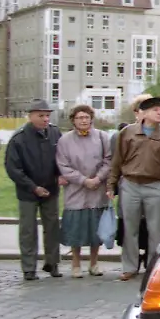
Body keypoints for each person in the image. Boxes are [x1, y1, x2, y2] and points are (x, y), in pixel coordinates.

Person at [107, 96, 160, 281]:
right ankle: (130, 266)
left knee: (155, 229)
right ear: (143, 113)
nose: (159, 113)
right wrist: (111, 184)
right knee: (130, 228)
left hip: (154, 185)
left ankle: (154, 267)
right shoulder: (127, 133)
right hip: (130, 184)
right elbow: (117, 161)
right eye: (155, 110)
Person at [5, 100, 64, 281]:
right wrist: (33, 187)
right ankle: (29, 267)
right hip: (28, 192)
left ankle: (52, 263)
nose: (45, 119)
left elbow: (62, 158)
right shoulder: (19, 138)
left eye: (47, 115)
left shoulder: (55, 133)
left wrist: (60, 175)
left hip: (51, 189)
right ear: (30, 116)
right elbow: (13, 168)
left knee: (52, 227)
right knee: (28, 230)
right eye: (41, 115)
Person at [56, 105, 112, 278]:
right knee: (76, 230)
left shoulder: (102, 137)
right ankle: (76, 264)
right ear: (73, 120)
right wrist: (83, 180)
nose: (83, 120)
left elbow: (109, 160)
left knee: (96, 230)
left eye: (86, 117)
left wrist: (98, 178)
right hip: (76, 191)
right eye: (79, 118)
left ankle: (94, 263)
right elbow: (63, 165)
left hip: (97, 190)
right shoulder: (65, 140)